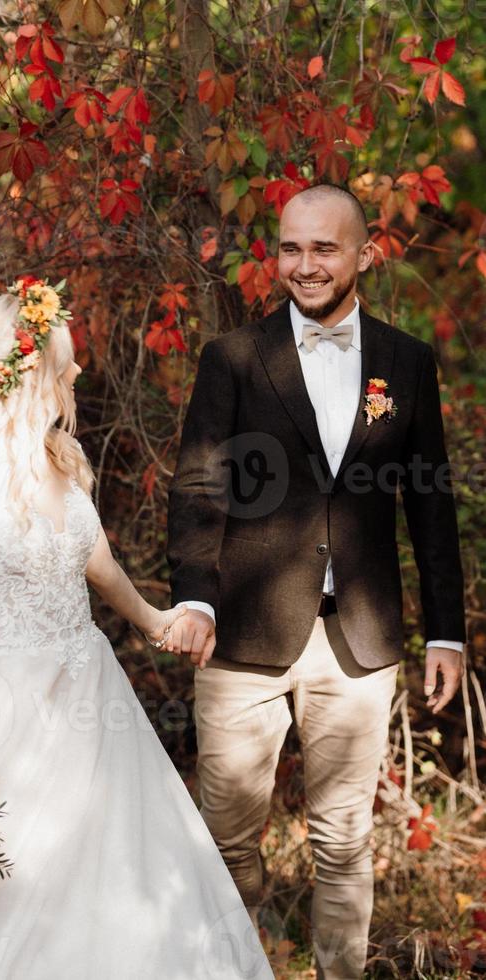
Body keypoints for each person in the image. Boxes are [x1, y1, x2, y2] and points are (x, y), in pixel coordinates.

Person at [0, 277, 273, 979]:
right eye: (64, 360)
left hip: (92, 691)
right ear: (28, 370)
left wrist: (158, 618)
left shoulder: (61, 458)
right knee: (6, 879)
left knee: (121, 864)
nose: (75, 371)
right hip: (5, 705)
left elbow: (97, 563)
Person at [166, 185, 466, 979]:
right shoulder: (232, 358)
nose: (304, 265)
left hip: (357, 640)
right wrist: (194, 594)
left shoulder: (405, 361)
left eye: (323, 248)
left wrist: (445, 631)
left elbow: (428, 501)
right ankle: (234, 969)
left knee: (344, 841)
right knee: (229, 843)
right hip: (241, 636)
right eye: (291, 248)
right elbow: (200, 485)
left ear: (364, 253)